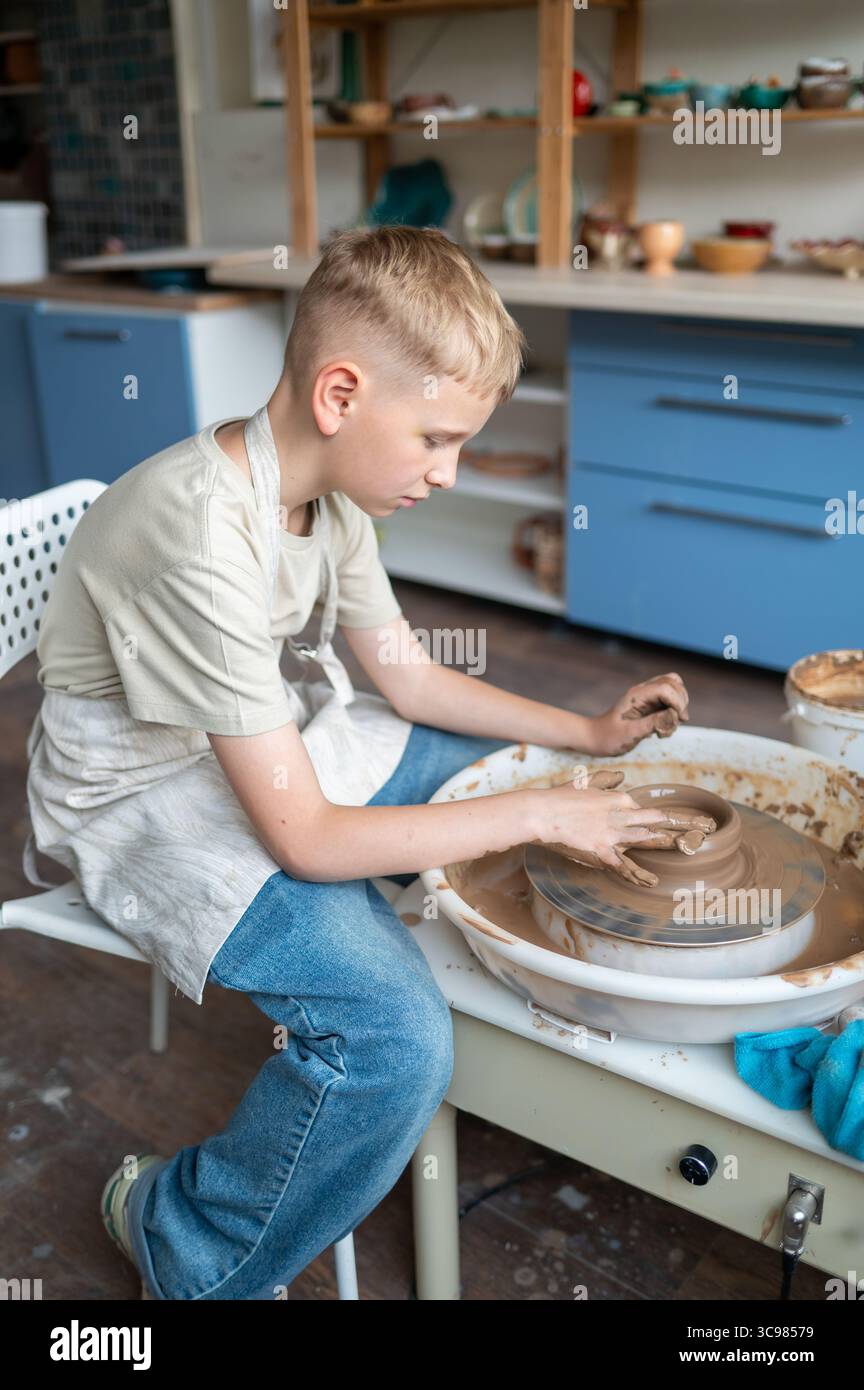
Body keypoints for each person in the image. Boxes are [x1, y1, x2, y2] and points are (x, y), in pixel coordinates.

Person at [23, 226, 696, 1300]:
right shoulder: (197, 530)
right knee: (395, 1040)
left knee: (509, 770)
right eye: (437, 438)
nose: (449, 471)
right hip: (136, 795)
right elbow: (310, 840)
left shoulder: (325, 496)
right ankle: (181, 1237)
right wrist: (540, 815)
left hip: (248, 742)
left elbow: (415, 683)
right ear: (341, 394)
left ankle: (518, 993)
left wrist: (587, 739)